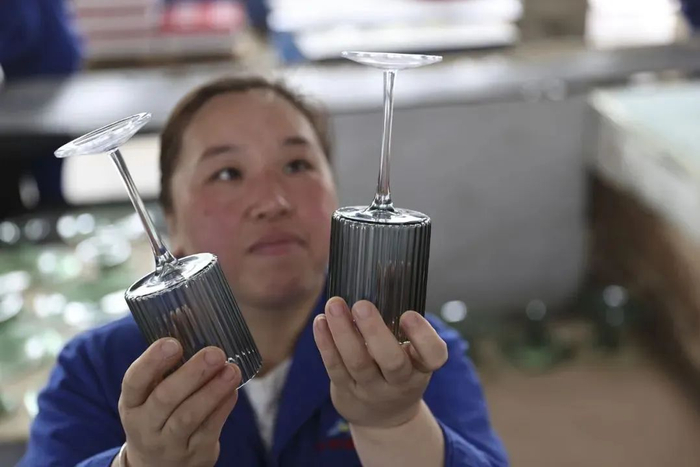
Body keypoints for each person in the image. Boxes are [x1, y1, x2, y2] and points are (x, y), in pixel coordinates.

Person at [19, 77, 508, 467]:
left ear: (336, 194)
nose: (272, 202)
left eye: (296, 165)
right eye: (227, 173)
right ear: (171, 223)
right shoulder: (97, 370)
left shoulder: (409, 355)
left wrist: (394, 424)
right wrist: (140, 463)